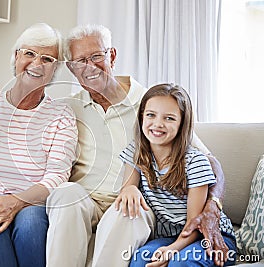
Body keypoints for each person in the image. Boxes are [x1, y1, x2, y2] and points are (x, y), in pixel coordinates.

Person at [46, 24, 229, 267]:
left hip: (134, 202)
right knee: (65, 194)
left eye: (97, 56)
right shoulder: (68, 108)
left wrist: (214, 205)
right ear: (71, 68)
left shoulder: (152, 107)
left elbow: (209, 161)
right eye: (81, 61)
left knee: (126, 210)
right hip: (87, 200)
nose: (90, 66)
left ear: (111, 56)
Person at [0, 22, 78, 267]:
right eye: (29, 53)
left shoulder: (61, 115)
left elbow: (57, 176)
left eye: (47, 59)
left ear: (54, 69)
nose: (36, 64)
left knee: (31, 225)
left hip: (32, 202)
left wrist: (16, 201)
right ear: (16, 57)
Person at [118, 83, 236, 266]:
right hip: (168, 235)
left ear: (182, 123)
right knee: (140, 260)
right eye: (151, 115)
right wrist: (129, 189)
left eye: (169, 118)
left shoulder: (195, 162)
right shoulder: (136, 152)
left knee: (180, 263)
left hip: (207, 235)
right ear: (141, 116)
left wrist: (173, 250)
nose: (158, 124)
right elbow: (128, 188)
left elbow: (195, 223)